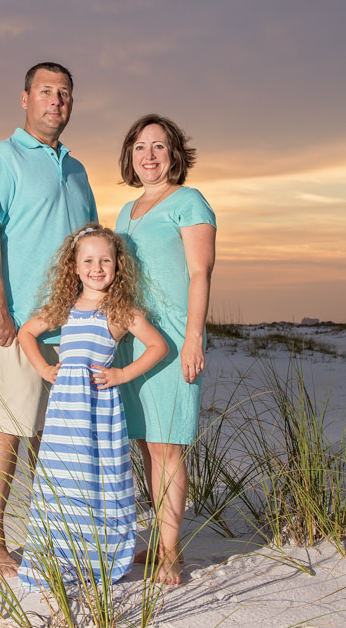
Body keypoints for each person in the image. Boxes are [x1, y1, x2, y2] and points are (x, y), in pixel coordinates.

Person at [0, 62, 98, 578]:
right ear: (25, 98)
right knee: (8, 427)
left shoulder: (77, 169)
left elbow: (92, 248)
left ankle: (58, 534)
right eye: (46, 91)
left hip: (76, 327)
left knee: (59, 434)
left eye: (64, 93)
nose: (56, 101)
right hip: (22, 324)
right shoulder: (3, 156)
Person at [16, 223, 167, 591]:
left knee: (100, 477)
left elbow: (158, 346)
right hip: (65, 411)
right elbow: (25, 333)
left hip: (99, 410)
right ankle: (60, 555)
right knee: (62, 479)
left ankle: (100, 556)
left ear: (117, 265)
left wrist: (122, 375)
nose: (96, 267)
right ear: (74, 266)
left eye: (105, 260)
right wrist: (44, 368)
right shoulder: (65, 308)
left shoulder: (121, 311)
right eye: (88, 260)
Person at [113, 114, 216, 585]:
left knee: (166, 444)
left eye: (158, 146)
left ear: (175, 153)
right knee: (144, 443)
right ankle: (159, 538)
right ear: (129, 156)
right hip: (133, 339)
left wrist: (193, 336)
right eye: (139, 147)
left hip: (173, 338)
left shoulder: (189, 202)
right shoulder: (125, 212)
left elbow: (200, 273)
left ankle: (171, 553)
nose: (148, 155)